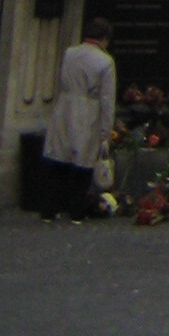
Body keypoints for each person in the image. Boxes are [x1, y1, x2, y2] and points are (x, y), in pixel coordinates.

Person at [41, 16, 116, 219]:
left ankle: (49, 209)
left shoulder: (70, 53)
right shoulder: (105, 62)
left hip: (65, 106)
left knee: (58, 158)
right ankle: (76, 211)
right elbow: (107, 99)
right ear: (104, 38)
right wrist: (106, 130)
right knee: (83, 161)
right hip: (88, 110)